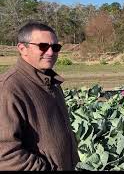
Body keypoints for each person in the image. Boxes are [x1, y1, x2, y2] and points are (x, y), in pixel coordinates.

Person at [0, 21, 79, 170]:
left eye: (55, 47)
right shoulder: (9, 88)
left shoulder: (50, 82)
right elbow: (5, 154)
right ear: (23, 48)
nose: (50, 52)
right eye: (43, 46)